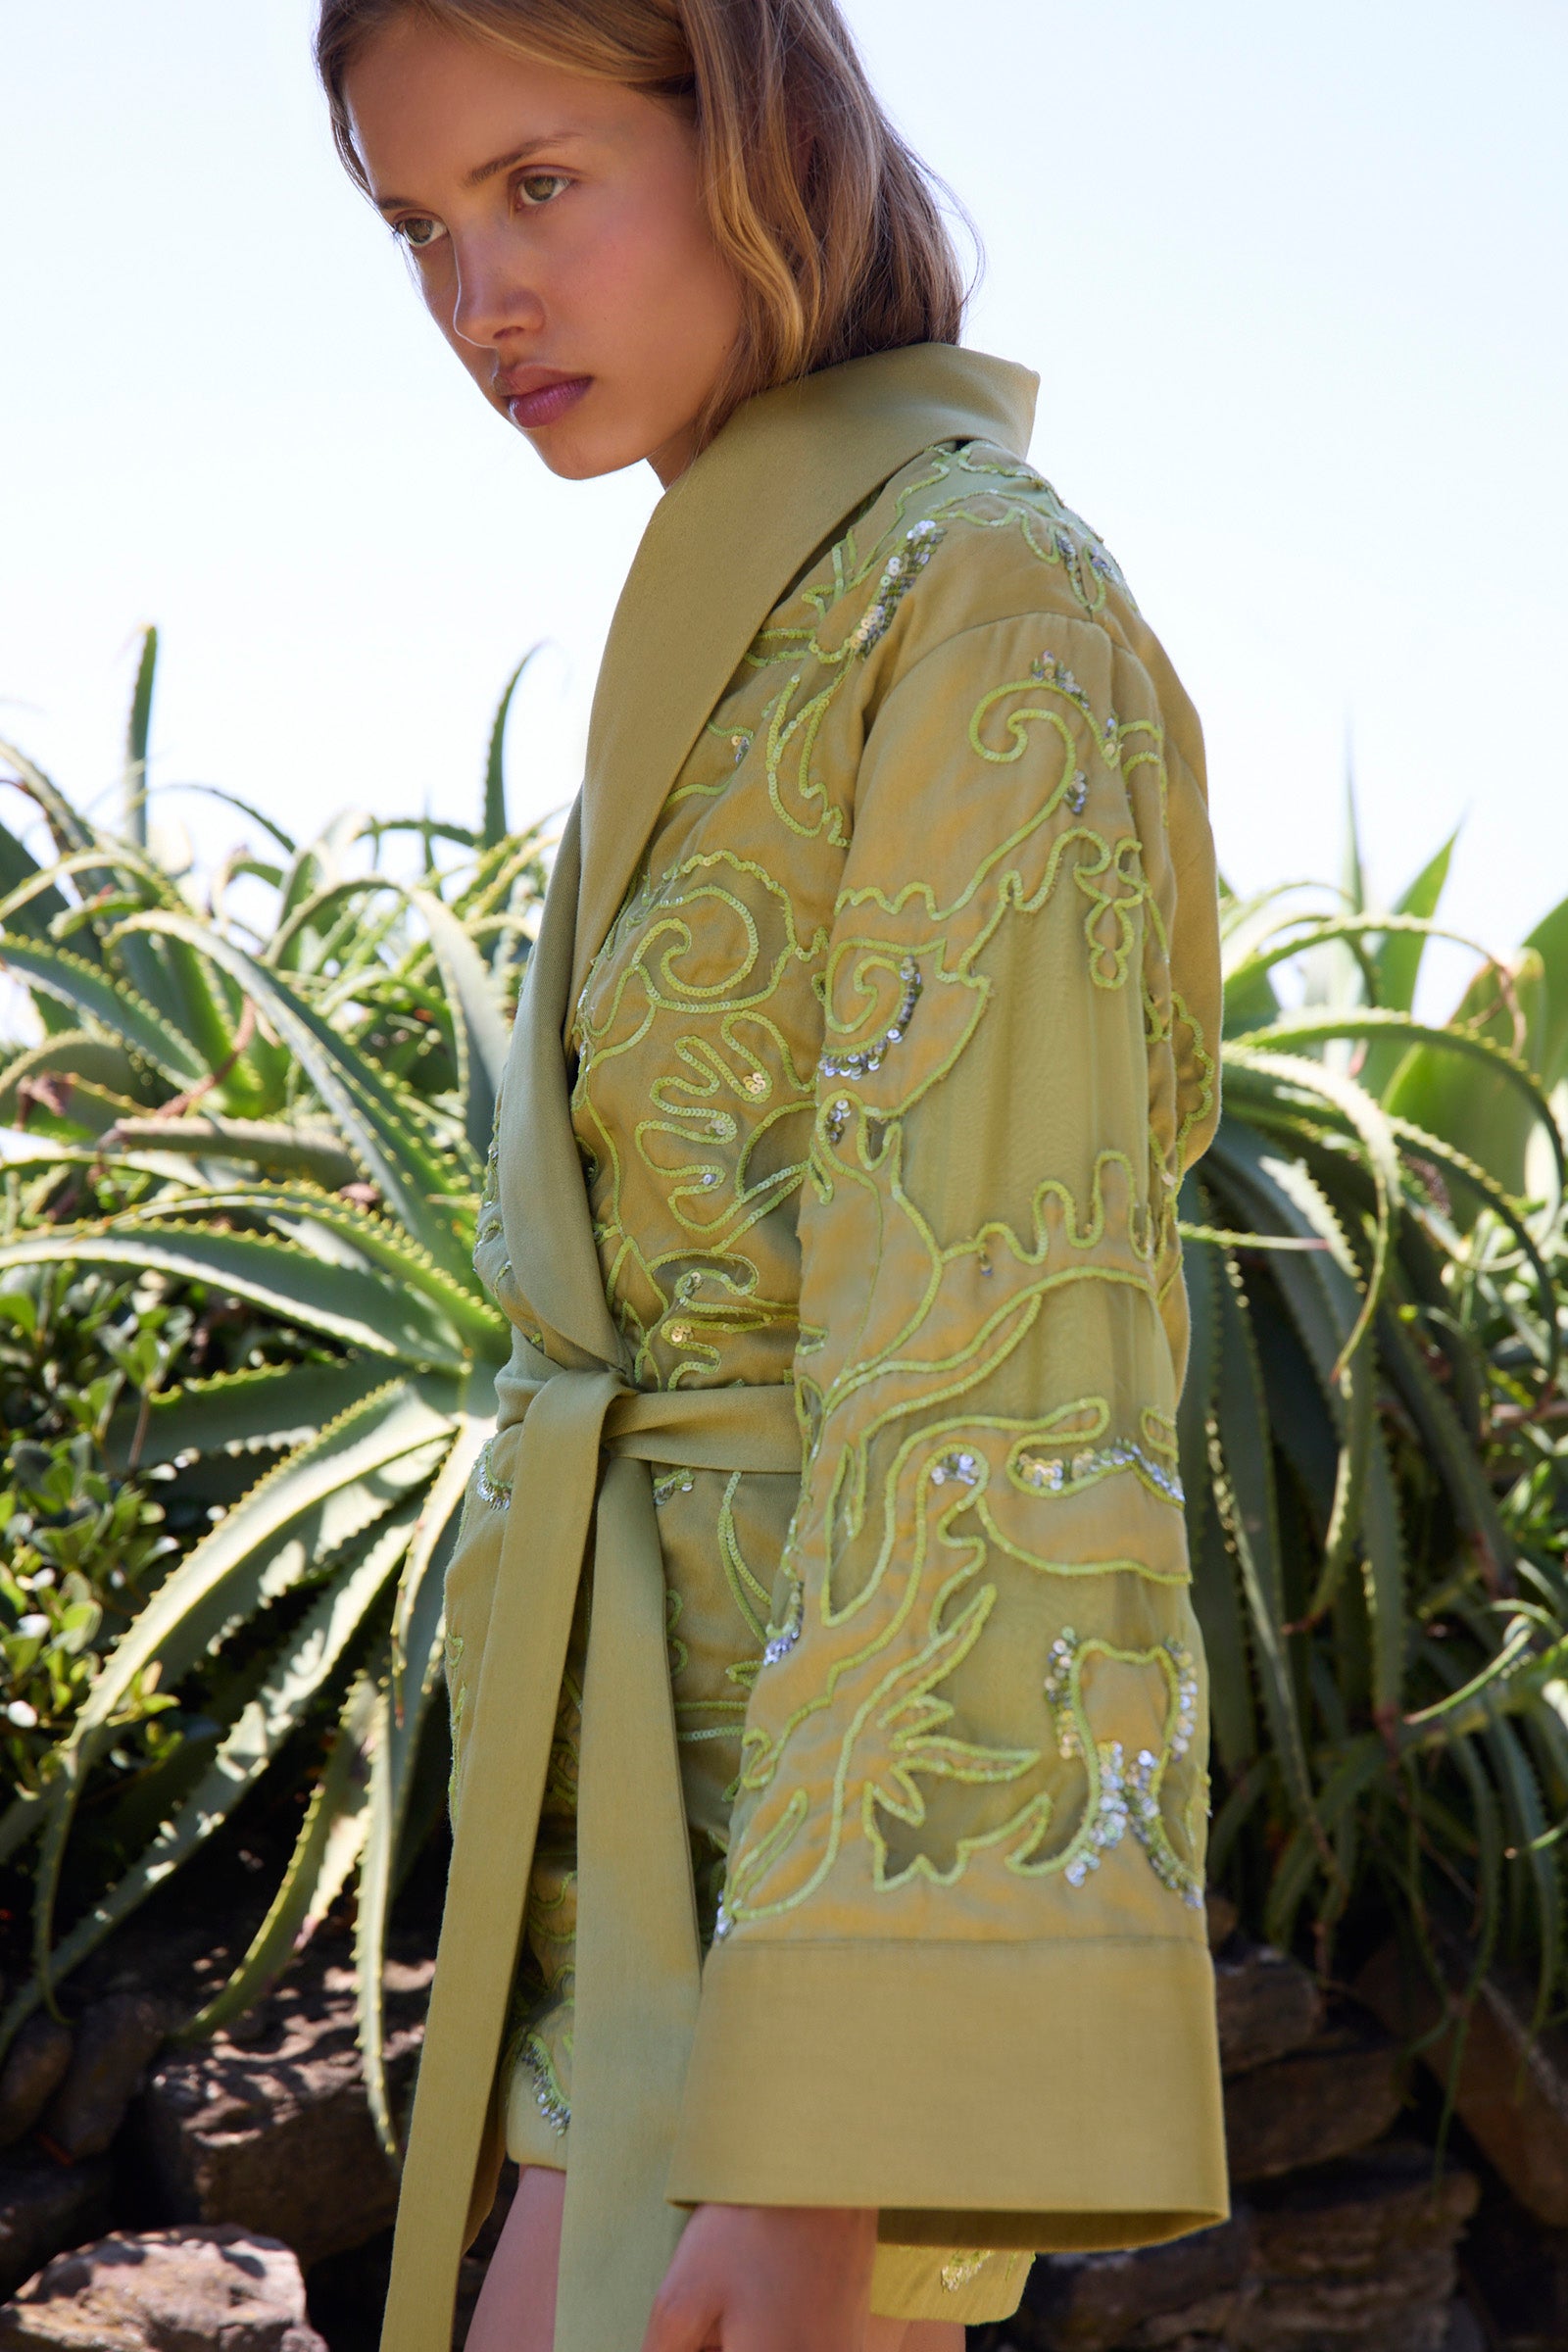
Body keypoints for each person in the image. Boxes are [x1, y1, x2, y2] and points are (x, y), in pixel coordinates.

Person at [315, 3, 1229, 2346]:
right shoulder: (746, 588)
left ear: (763, 139)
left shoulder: (977, 594)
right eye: (418, 226)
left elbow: (998, 1378)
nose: (473, 305)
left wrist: (822, 2149)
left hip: (802, 1980)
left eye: (537, 186)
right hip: (622, 1909)